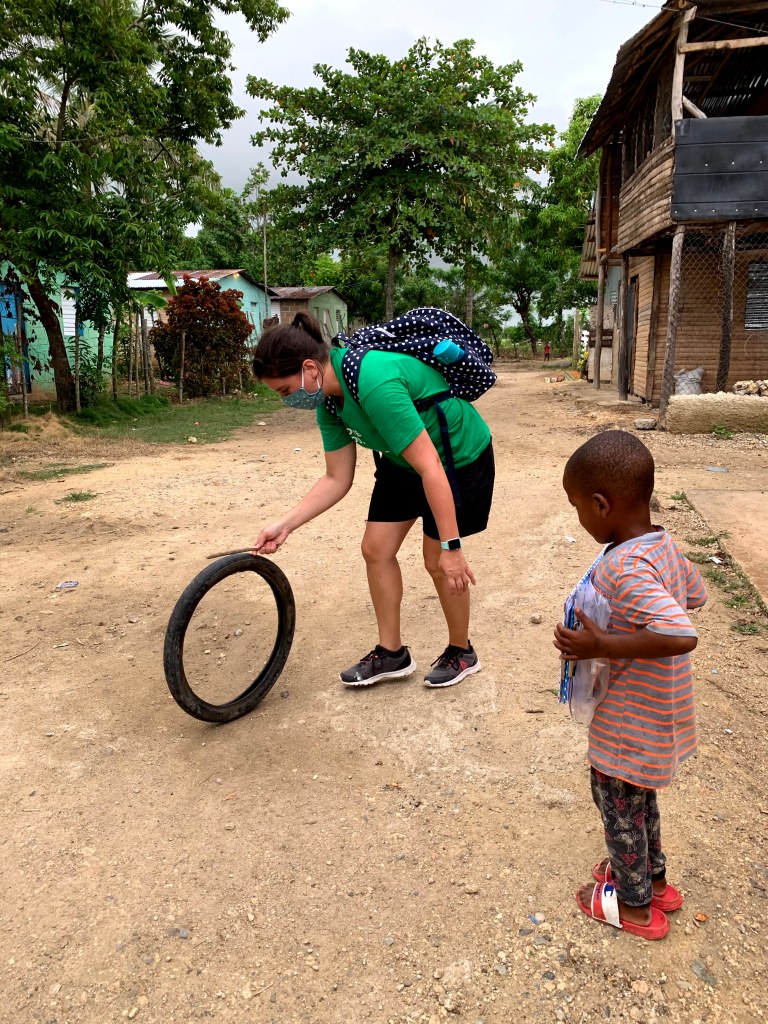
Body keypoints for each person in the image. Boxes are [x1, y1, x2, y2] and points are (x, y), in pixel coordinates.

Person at [251, 312, 495, 689]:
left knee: (437, 560)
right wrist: (285, 524)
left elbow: (432, 467)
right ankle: (391, 653)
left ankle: (461, 651)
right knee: (375, 548)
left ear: (310, 368)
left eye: (285, 390)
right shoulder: (328, 402)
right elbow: (337, 478)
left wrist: (453, 548)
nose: (287, 400)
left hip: (456, 459)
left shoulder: (374, 381)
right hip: (405, 461)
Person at [553, 430, 706, 941]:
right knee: (638, 800)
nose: (579, 518)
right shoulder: (659, 543)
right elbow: (696, 594)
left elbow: (681, 633)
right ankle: (653, 880)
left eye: (578, 508)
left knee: (617, 802)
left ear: (602, 504)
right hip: (659, 712)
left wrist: (603, 646)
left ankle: (635, 906)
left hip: (628, 722)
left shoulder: (624, 565)